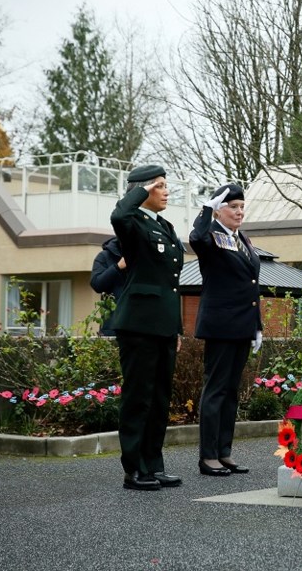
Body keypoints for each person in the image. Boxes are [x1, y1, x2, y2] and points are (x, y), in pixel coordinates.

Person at [110, 164, 186, 491]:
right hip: (139, 325)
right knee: (138, 398)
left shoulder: (165, 226)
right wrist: (139, 190)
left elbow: (171, 284)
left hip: (164, 326)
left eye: (166, 185)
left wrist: (177, 327)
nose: (166, 191)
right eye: (159, 185)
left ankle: (154, 464)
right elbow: (118, 216)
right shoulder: (133, 223)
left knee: (159, 400)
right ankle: (135, 469)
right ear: (142, 190)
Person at [189, 184, 263, 477]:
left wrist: (257, 325)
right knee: (216, 390)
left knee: (231, 392)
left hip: (242, 325)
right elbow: (195, 237)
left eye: (242, 206)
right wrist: (206, 208)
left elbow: (251, 285)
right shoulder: (210, 236)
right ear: (219, 209)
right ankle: (208, 456)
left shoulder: (240, 237)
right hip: (221, 325)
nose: (239, 212)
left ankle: (224, 451)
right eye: (232, 206)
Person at [89, 236, 126, 336]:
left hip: (140, 329)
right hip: (112, 328)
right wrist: (117, 267)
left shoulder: (143, 259)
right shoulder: (104, 256)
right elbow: (96, 284)